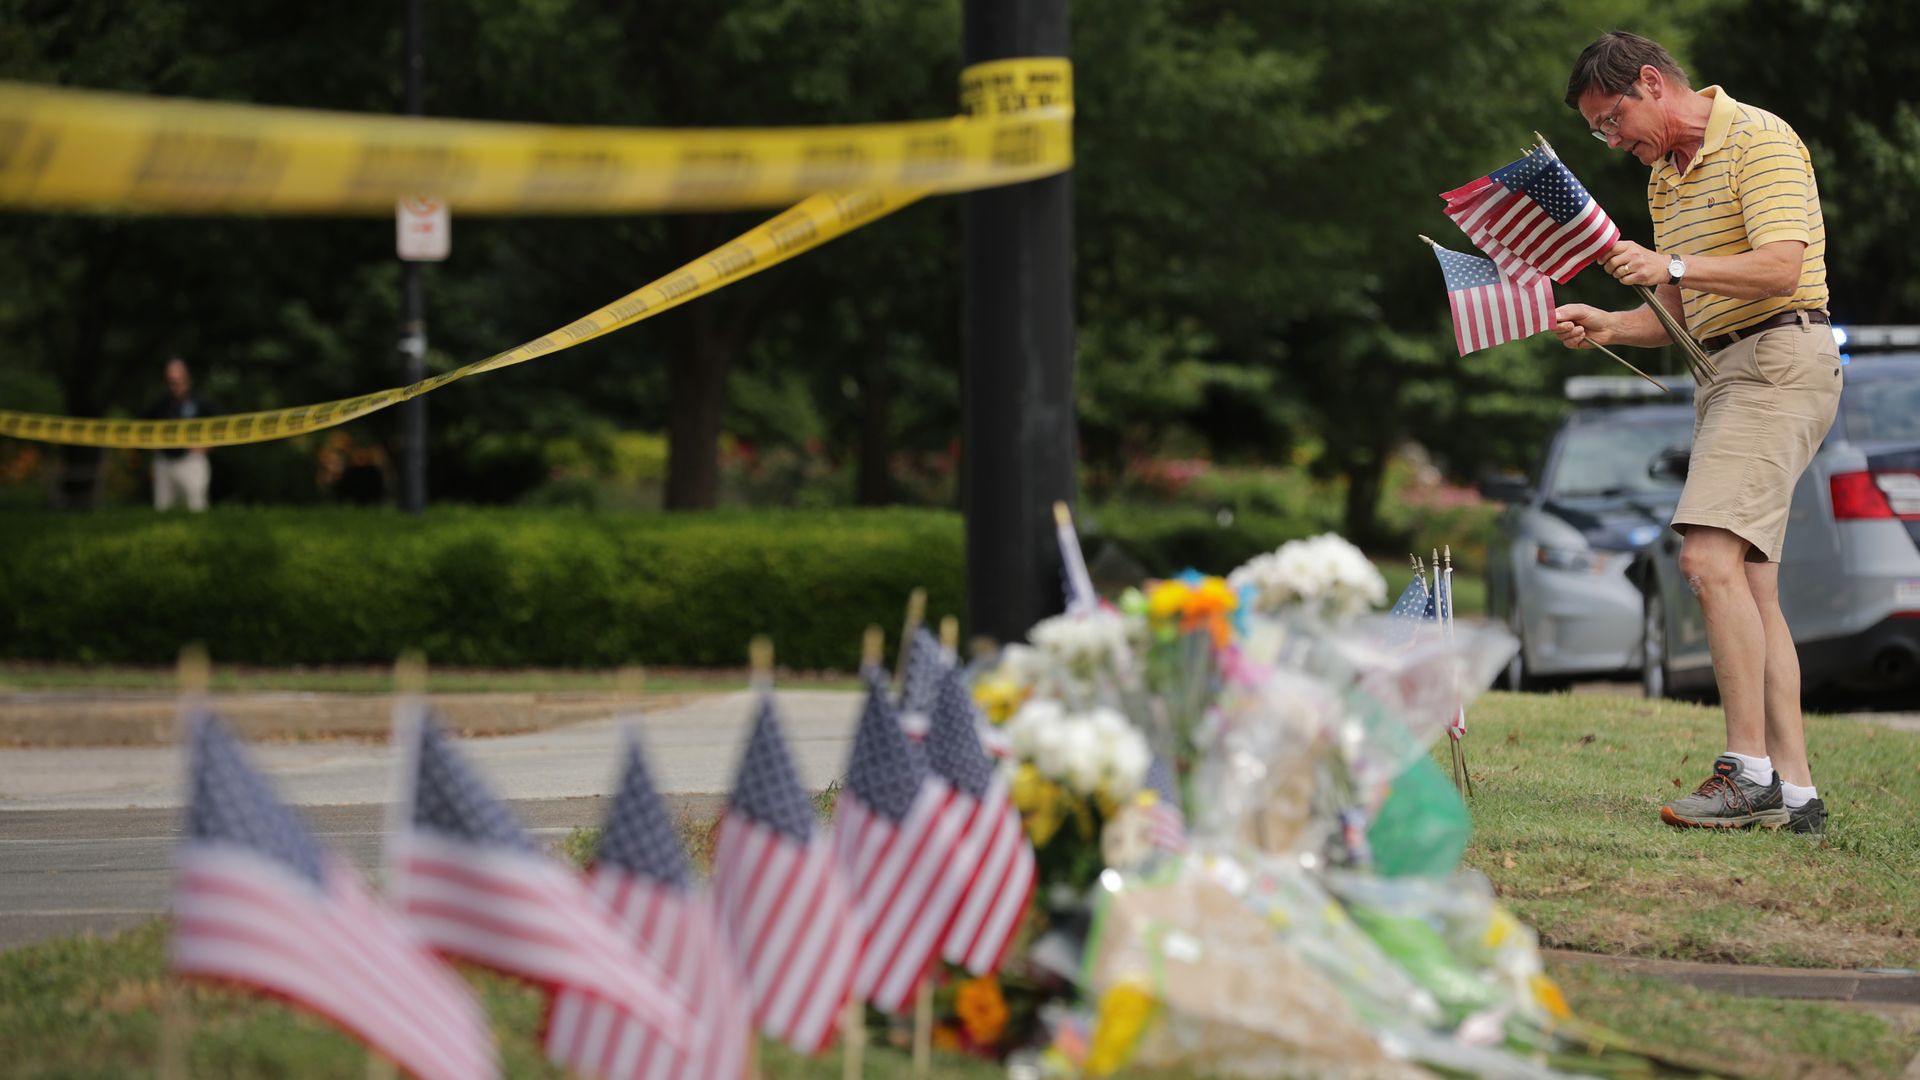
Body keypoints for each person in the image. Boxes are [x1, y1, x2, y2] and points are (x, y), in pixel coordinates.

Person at [1553, 32, 1840, 836]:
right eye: (1598, 132)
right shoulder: (1664, 178)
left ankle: (1744, 773)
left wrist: (1670, 266)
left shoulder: (1758, 138)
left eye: (1613, 119)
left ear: (1651, 83)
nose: (1613, 142)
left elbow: (1780, 265)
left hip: (1777, 359)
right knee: (1751, 586)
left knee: (1707, 558)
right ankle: (1796, 792)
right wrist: (1608, 322)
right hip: (1725, 372)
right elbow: (1679, 311)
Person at [143, 357, 218, 512]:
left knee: (197, 507)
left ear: (187, 376)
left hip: (191, 460)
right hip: (164, 462)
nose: (174, 384)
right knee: (162, 509)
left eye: (178, 379)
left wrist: (208, 446)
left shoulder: (200, 402)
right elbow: (142, 428)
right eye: (171, 380)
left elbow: (223, 426)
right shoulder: (161, 404)